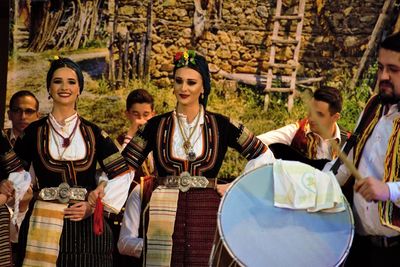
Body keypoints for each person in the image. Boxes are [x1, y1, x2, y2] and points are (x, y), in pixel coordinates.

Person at [118, 50, 275, 266]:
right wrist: (100, 194)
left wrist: (235, 186)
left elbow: (263, 154)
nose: (184, 88)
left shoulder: (222, 125)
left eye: (191, 82)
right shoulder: (154, 126)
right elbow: (124, 166)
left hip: (207, 214)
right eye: (179, 81)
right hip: (162, 214)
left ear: (203, 87)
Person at [6, 57, 132, 267]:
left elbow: (122, 173)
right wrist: (19, 191)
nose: (64, 87)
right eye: (57, 81)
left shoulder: (94, 133)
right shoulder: (33, 133)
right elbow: (14, 173)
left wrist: (93, 206)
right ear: (49, 87)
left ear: (79, 89)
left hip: (84, 227)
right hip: (42, 224)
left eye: (71, 82)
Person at [325, 32, 400, 267]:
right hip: (359, 245)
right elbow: (345, 162)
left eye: (394, 69)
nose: (384, 76)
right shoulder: (373, 107)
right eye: (380, 68)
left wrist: (388, 190)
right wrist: (313, 184)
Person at [109, 89, 156, 266]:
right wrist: (131, 135)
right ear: (127, 114)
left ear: (153, 114)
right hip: (122, 217)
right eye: (135, 114)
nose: (141, 120)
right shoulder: (118, 143)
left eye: (146, 115)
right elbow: (117, 172)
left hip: (150, 211)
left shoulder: (157, 144)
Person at [258, 86, 349, 168]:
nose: (311, 118)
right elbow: (258, 142)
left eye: (319, 115)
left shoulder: (349, 143)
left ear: (335, 117)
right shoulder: (297, 131)